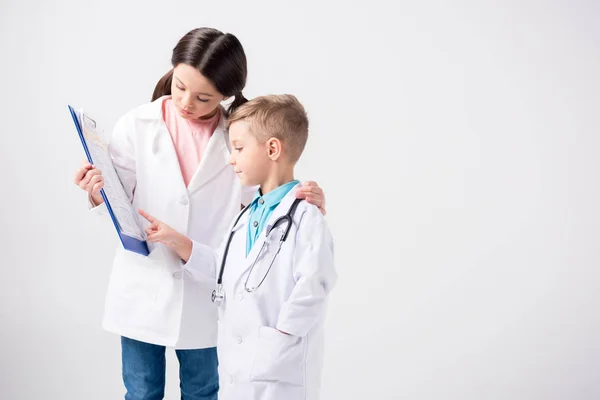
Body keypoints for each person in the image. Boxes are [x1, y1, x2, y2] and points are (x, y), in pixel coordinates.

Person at [73, 28, 326, 400]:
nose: (186, 102)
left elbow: (266, 195)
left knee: (204, 390)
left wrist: (302, 197)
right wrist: (96, 195)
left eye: (204, 97)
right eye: (179, 86)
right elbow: (119, 201)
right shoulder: (136, 124)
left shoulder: (238, 136)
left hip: (208, 287)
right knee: (141, 391)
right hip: (145, 281)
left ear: (227, 95)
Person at [138, 94, 336, 400]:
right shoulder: (245, 216)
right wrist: (175, 240)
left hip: (279, 372)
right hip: (238, 369)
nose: (231, 158)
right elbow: (224, 268)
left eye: (239, 149)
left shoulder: (306, 216)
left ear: (272, 148)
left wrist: (279, 338)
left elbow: (314, 287)